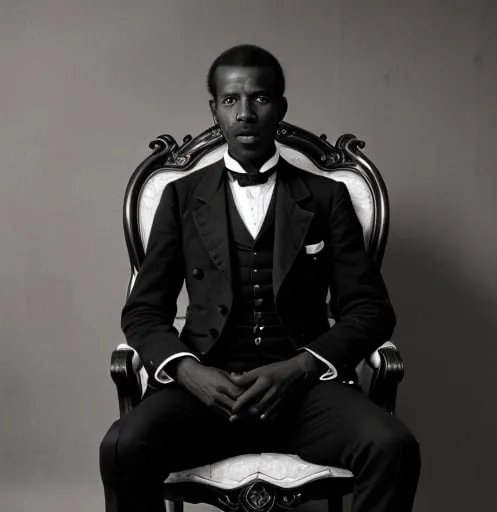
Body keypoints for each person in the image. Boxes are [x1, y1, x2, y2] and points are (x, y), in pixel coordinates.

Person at [100, 44, 420, 512]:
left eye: (260, 99)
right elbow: (144, 311)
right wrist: (192, 373)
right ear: (214, 110)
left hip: (305, 393)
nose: (245, 113)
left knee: (392, 446)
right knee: (123, 446)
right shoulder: (180, 198)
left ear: (281, 107)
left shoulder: (327, 197)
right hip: (205, 392)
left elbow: (371, 309)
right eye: (230, 100)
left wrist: (301, 368)